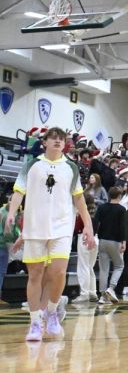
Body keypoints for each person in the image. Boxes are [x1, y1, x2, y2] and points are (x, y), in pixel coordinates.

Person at [4, 126, 95, 342]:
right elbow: (19, 191)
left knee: (58, 272)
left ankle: (52, 312)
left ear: (65, 144)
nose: (57, 141)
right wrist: (11, 214)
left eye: (61, 138)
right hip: (35, 228)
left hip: (62, 228)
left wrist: (89, 226)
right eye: (52, 138)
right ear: (44, 142)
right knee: (35, 275)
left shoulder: (71, 168)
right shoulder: (32, 165)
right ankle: (35, 322)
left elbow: (79, 199)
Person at [95, 186, 127, 302]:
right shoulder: (122, 209)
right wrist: (124, 241)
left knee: (104, 269)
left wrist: (94, 235)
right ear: (119, 196)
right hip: (115, 241)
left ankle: (102, 296)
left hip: (102, 240)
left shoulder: (102, 207)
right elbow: (122, 227)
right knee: (119, 266)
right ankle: (111, 288)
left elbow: (96, 222)